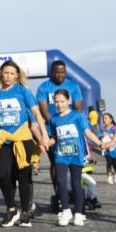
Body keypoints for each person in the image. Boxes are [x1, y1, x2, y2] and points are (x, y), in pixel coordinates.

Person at [0, 60, 50, 228]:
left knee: (24, 175)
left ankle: (26, 211)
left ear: (17, 75)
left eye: (12, 73)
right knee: (4, 174)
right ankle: (11, 210)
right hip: (3, 138)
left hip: (22, 138)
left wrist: (45, 135)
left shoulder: (23, 90)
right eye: (6, 73)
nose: (9, 76)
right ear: (0, 74)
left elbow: (36, 112)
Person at [36, 60, 84, 212]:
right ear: (52, 72)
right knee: (56, 163)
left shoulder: (73, 86)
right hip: (54, 129)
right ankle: (59, 192)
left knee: (75, 168)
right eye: (57, 72)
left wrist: (76, 123)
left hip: (71, 129)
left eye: (62, 71)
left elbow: (78, 107)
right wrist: (55, 124)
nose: (60, 74)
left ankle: (77, 196)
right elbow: (43, 108)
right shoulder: (44, 87)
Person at [49, 90, 101, 227]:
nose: (59, 104)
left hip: (76, 155)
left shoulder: (78, 116)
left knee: (76, 184)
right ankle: (66, 211)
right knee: (60, 182)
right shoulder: (54, 119)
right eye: (57, 102)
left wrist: (100, 143)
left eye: (62, 101)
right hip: (60, 154)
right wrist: (48, 142)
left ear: (68, 101)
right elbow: (54, 137)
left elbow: (87, 132)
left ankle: (79, 213)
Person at [98, 112, 116, 184]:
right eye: (103, 118)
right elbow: (99, 136)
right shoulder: (102, 128)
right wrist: (101, 138)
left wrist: (109, 135)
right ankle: (109, 177)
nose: (104, 120)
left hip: (114, 148)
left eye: (106, 118)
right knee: (109, 162)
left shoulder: (114, 127)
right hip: (106, 149)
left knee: (114, 163)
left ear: (111, 119)